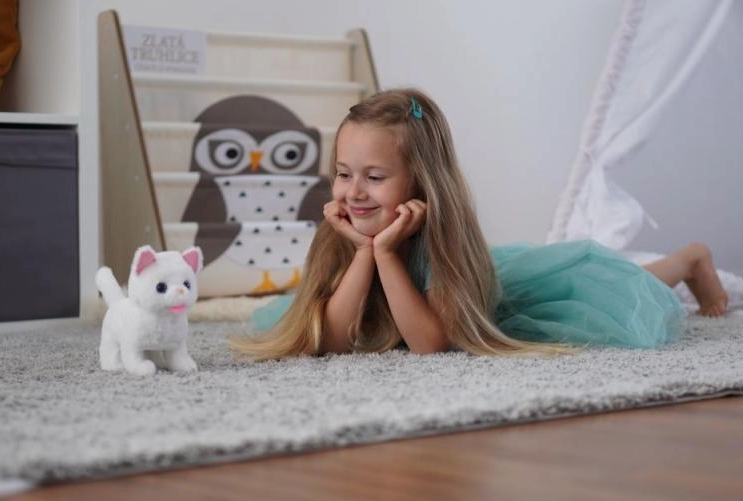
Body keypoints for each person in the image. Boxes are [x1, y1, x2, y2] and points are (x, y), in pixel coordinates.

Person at [231, 89, 728, 360]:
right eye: (343, 174)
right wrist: (364, 252)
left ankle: (688, 260)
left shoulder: (441, 245)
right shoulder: (341, 236)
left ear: (422, 183)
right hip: (393, 260)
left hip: (490, 294)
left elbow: (431, 345)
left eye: (375, 177)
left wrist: (385, 254)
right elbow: (335, 343)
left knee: (613, 289)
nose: (354, 192)